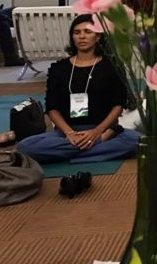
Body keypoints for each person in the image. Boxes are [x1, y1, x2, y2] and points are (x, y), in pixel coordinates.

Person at [16, 14, 139, 164]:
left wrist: (96, 132)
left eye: (88, 32)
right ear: (72, 37)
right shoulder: (58, 68)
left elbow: (118, 106)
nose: (82, 36)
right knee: (25, 146)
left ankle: (67, 154)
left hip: (102, 129)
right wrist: (70, 133)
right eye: (77, 32)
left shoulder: (112, 65)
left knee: (134, 140)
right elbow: (52, 108)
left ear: (98, 36)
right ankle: (94, 151)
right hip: (67, 132)